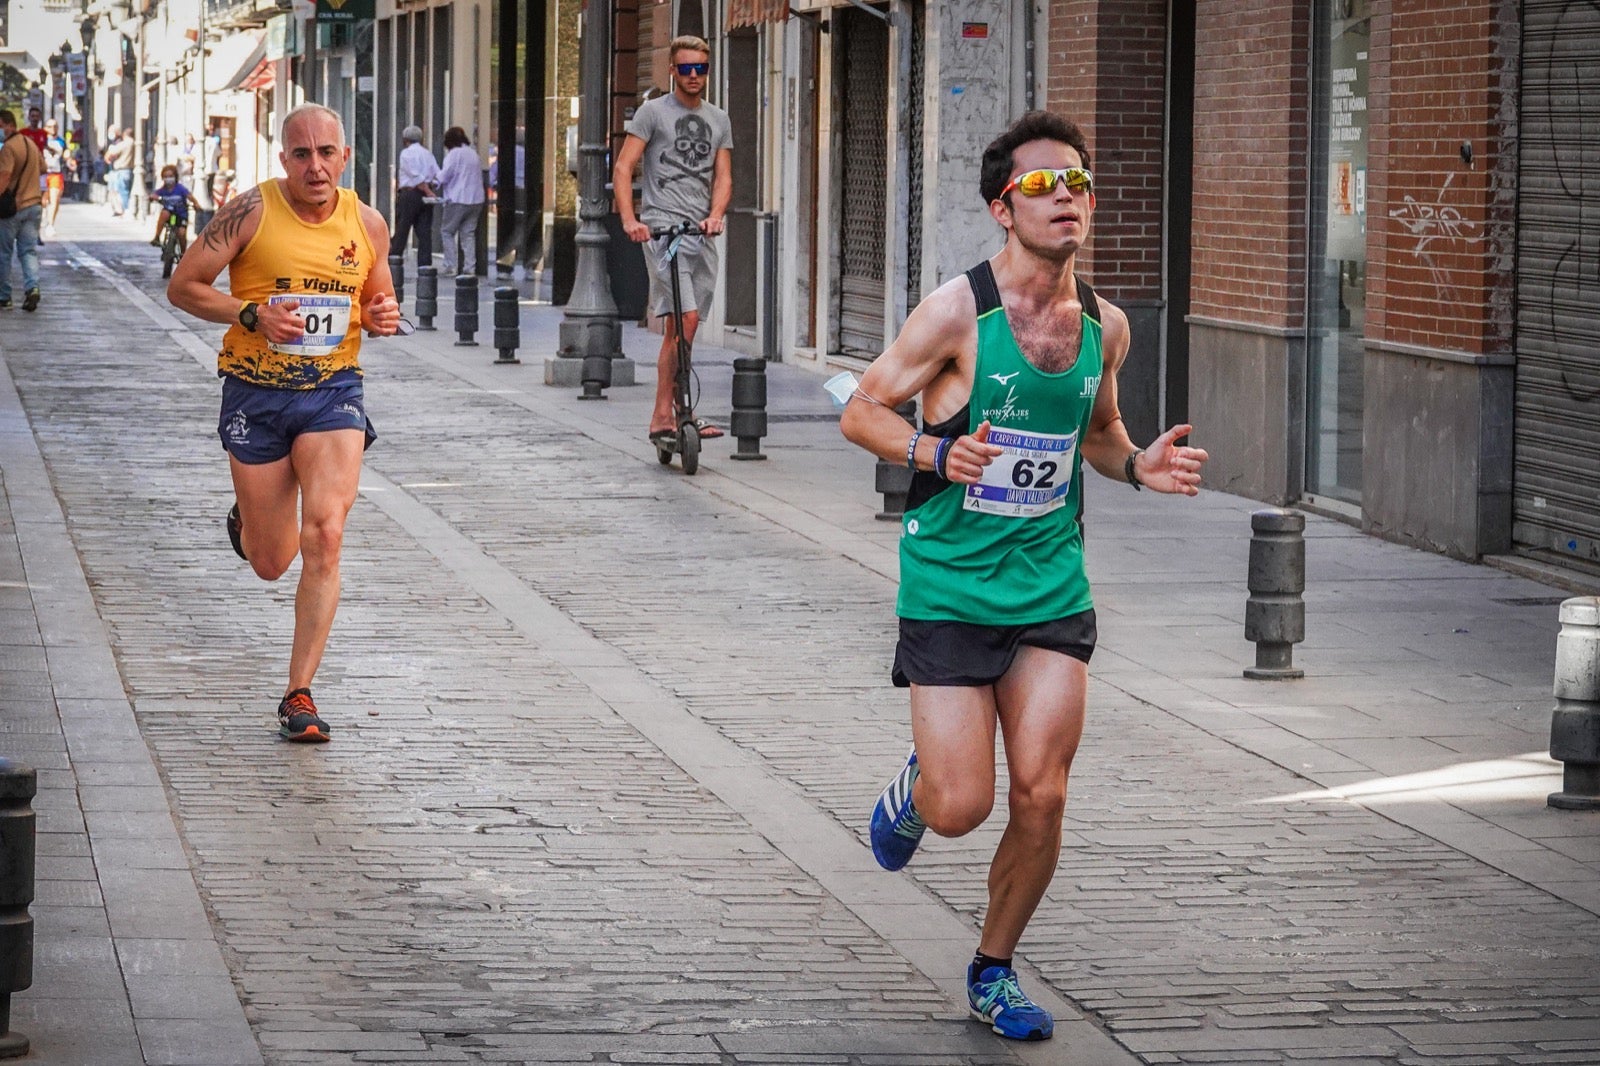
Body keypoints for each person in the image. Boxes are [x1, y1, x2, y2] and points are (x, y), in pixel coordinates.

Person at [839, 111, 1209, 1043]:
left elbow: (1099, 433)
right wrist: (934, 448)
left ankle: (993, 967)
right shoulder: (958, 312)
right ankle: (921, 784)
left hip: (1050, 583)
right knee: (963, 807)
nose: (1069, 199)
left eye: (1079, 183)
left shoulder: (1105, 327)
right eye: (1045, 187)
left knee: (1042, 791)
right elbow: (863, 410)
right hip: (951, 582)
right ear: (1004, 208)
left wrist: (1138, 467)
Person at [166, 103, 402, 743]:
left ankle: (299, 692)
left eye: (327, 152)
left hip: (332, 392)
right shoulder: (248, 212)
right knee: (273, 561)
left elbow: (378, 299)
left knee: (324, 533)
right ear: (284, 160)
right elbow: (183, 286)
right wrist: (250, 315)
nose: (316, 166)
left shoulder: (368, 223)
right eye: (302, 154)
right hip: (256, 394)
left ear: (345, 158)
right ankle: (252, 520)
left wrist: (381, 316)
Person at [614, 35, 732, 444]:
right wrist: (631, 219)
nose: (694, 76)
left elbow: (724, 176)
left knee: (682, 330)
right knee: (686, 319)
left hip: (701, 232)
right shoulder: (651, 113)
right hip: (663, 230)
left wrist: (716, 215)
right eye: (686, 69)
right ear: (672, 70)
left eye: (701, 68)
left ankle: (674, 411)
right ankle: (666, 413)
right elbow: (624, 167)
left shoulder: (718, 119)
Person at [0, 109, 44, 312]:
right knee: (28, 250)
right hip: (34, 204)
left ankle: (4, 296)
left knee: (4, 253)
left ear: (9, 125)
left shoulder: (8, 148)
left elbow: (4, 176)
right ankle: (32, 287)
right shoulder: (31, 144)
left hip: (14, 208)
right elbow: (42, 168)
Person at [437, 126, 485, 277]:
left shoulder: (454, 154)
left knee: (447, 231)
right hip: (476, 199)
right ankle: (470, 267)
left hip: (457, 198)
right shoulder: (473, 154)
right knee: (468, 234)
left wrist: (433, 180)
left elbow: (444, 176)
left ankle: (450, 265)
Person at [391, 124, 439, 268]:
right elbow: (436, 173)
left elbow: (414, 175)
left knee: (403, 228)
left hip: (410, 193)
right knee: (424, 232)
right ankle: (425, 265)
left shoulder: (406, 154)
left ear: (405, 139)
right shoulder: (427, 154)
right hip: (426, 197)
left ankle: (394, 259)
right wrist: (432, 187)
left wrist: (426, 189)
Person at [148, 163, 202, 254]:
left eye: (170, 176)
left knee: (181, 233)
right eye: (165, 176)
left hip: (181, 214)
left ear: (175, 177)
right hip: (169, 215)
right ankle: (157, 237)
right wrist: (152, 197)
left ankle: (183, 253)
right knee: (165, 213)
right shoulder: (162, 190)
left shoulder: (180, 188)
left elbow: (190, 196)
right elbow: (154, 195)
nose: (168, 178)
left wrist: (196, 204)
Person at [41, 120, 66, 237]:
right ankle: (44, 215)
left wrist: (68, 158)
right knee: (43, 201)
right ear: (45, 127)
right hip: (42, 173)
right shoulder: (41, 139)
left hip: (56, 173)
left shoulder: (61, 141)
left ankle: (51, 225)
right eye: (50, 126)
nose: (53, 128)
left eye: (55, 126)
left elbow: (66, 153)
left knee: (55, 199)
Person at [105, 128, 135, 216]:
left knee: (123, 191)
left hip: (122, 170)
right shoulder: (135, 143)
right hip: (130, 169)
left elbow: (111, 153)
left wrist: (109, 156)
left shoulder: (125, 143)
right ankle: (124, 209)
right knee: (126, 190)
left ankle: (126, 209)